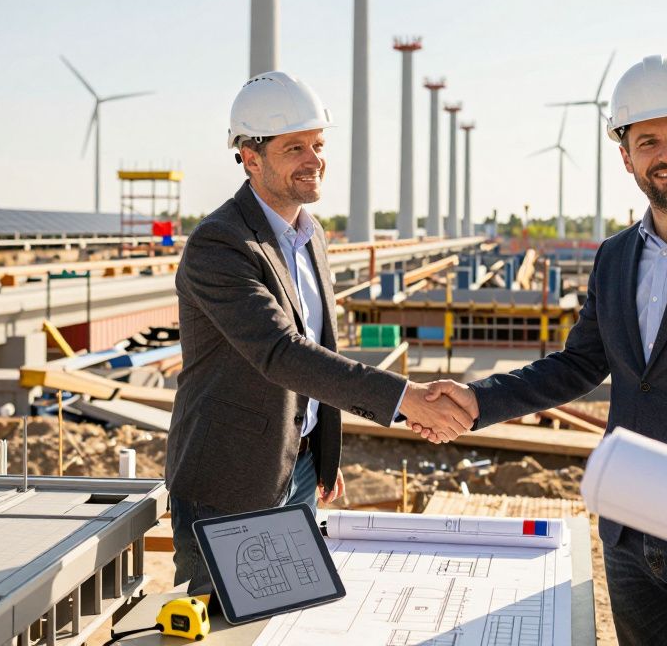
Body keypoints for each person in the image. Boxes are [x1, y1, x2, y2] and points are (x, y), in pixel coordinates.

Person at [418, 56, 667, 645]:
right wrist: (479, 400)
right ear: (626, 156)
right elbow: (580, 363)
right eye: (648, 141)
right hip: (629, 531)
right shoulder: (614, 256)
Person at [166, 71, 479, 595]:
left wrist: (322, 453)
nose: (313, 159)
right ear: (250, 157)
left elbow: (320, 347)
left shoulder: (311, 237)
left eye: (317, 144)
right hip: (230, 481)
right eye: (294, 148)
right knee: (228, 623)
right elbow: (281, 353)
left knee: (288, 617)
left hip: (301, 467)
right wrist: (405, 399)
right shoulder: (220, 244)